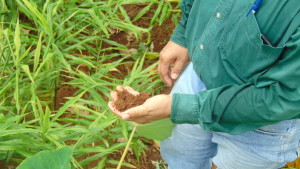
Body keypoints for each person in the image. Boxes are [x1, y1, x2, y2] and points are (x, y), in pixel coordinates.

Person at [109, 0, 300, 168]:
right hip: (198, 79)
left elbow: (285, 95)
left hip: (263, 121)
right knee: (181, 157)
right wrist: (183, 35)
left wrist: (179, 107)